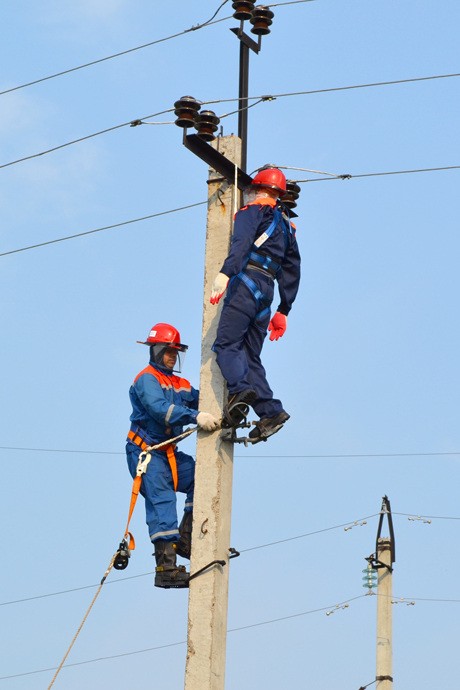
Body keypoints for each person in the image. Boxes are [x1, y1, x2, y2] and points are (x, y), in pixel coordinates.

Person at [210, 166, 301, 442]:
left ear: (257, 189)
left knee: (226, 345)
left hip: (245, 283)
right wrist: (284, 310)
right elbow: (292, 268)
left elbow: (241, 243)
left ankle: (239, 392)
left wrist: (225, 273)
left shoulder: (251, 213)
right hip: (267, 292)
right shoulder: (287, 227)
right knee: (250, 357)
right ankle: (270, 411)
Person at [126, 322, 220, 588]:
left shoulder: (179, 382)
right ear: (155, 350)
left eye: (175, 351)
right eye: (168, 350)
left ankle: (186, 540)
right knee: (162, 500)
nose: (172, 356)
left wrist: (226, 401)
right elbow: (160, 409)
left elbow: (201, 400)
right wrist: (195, 416)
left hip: (168, 453)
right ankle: (165, 569)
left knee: (200, 479)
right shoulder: (147, 379)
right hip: (146, 452)